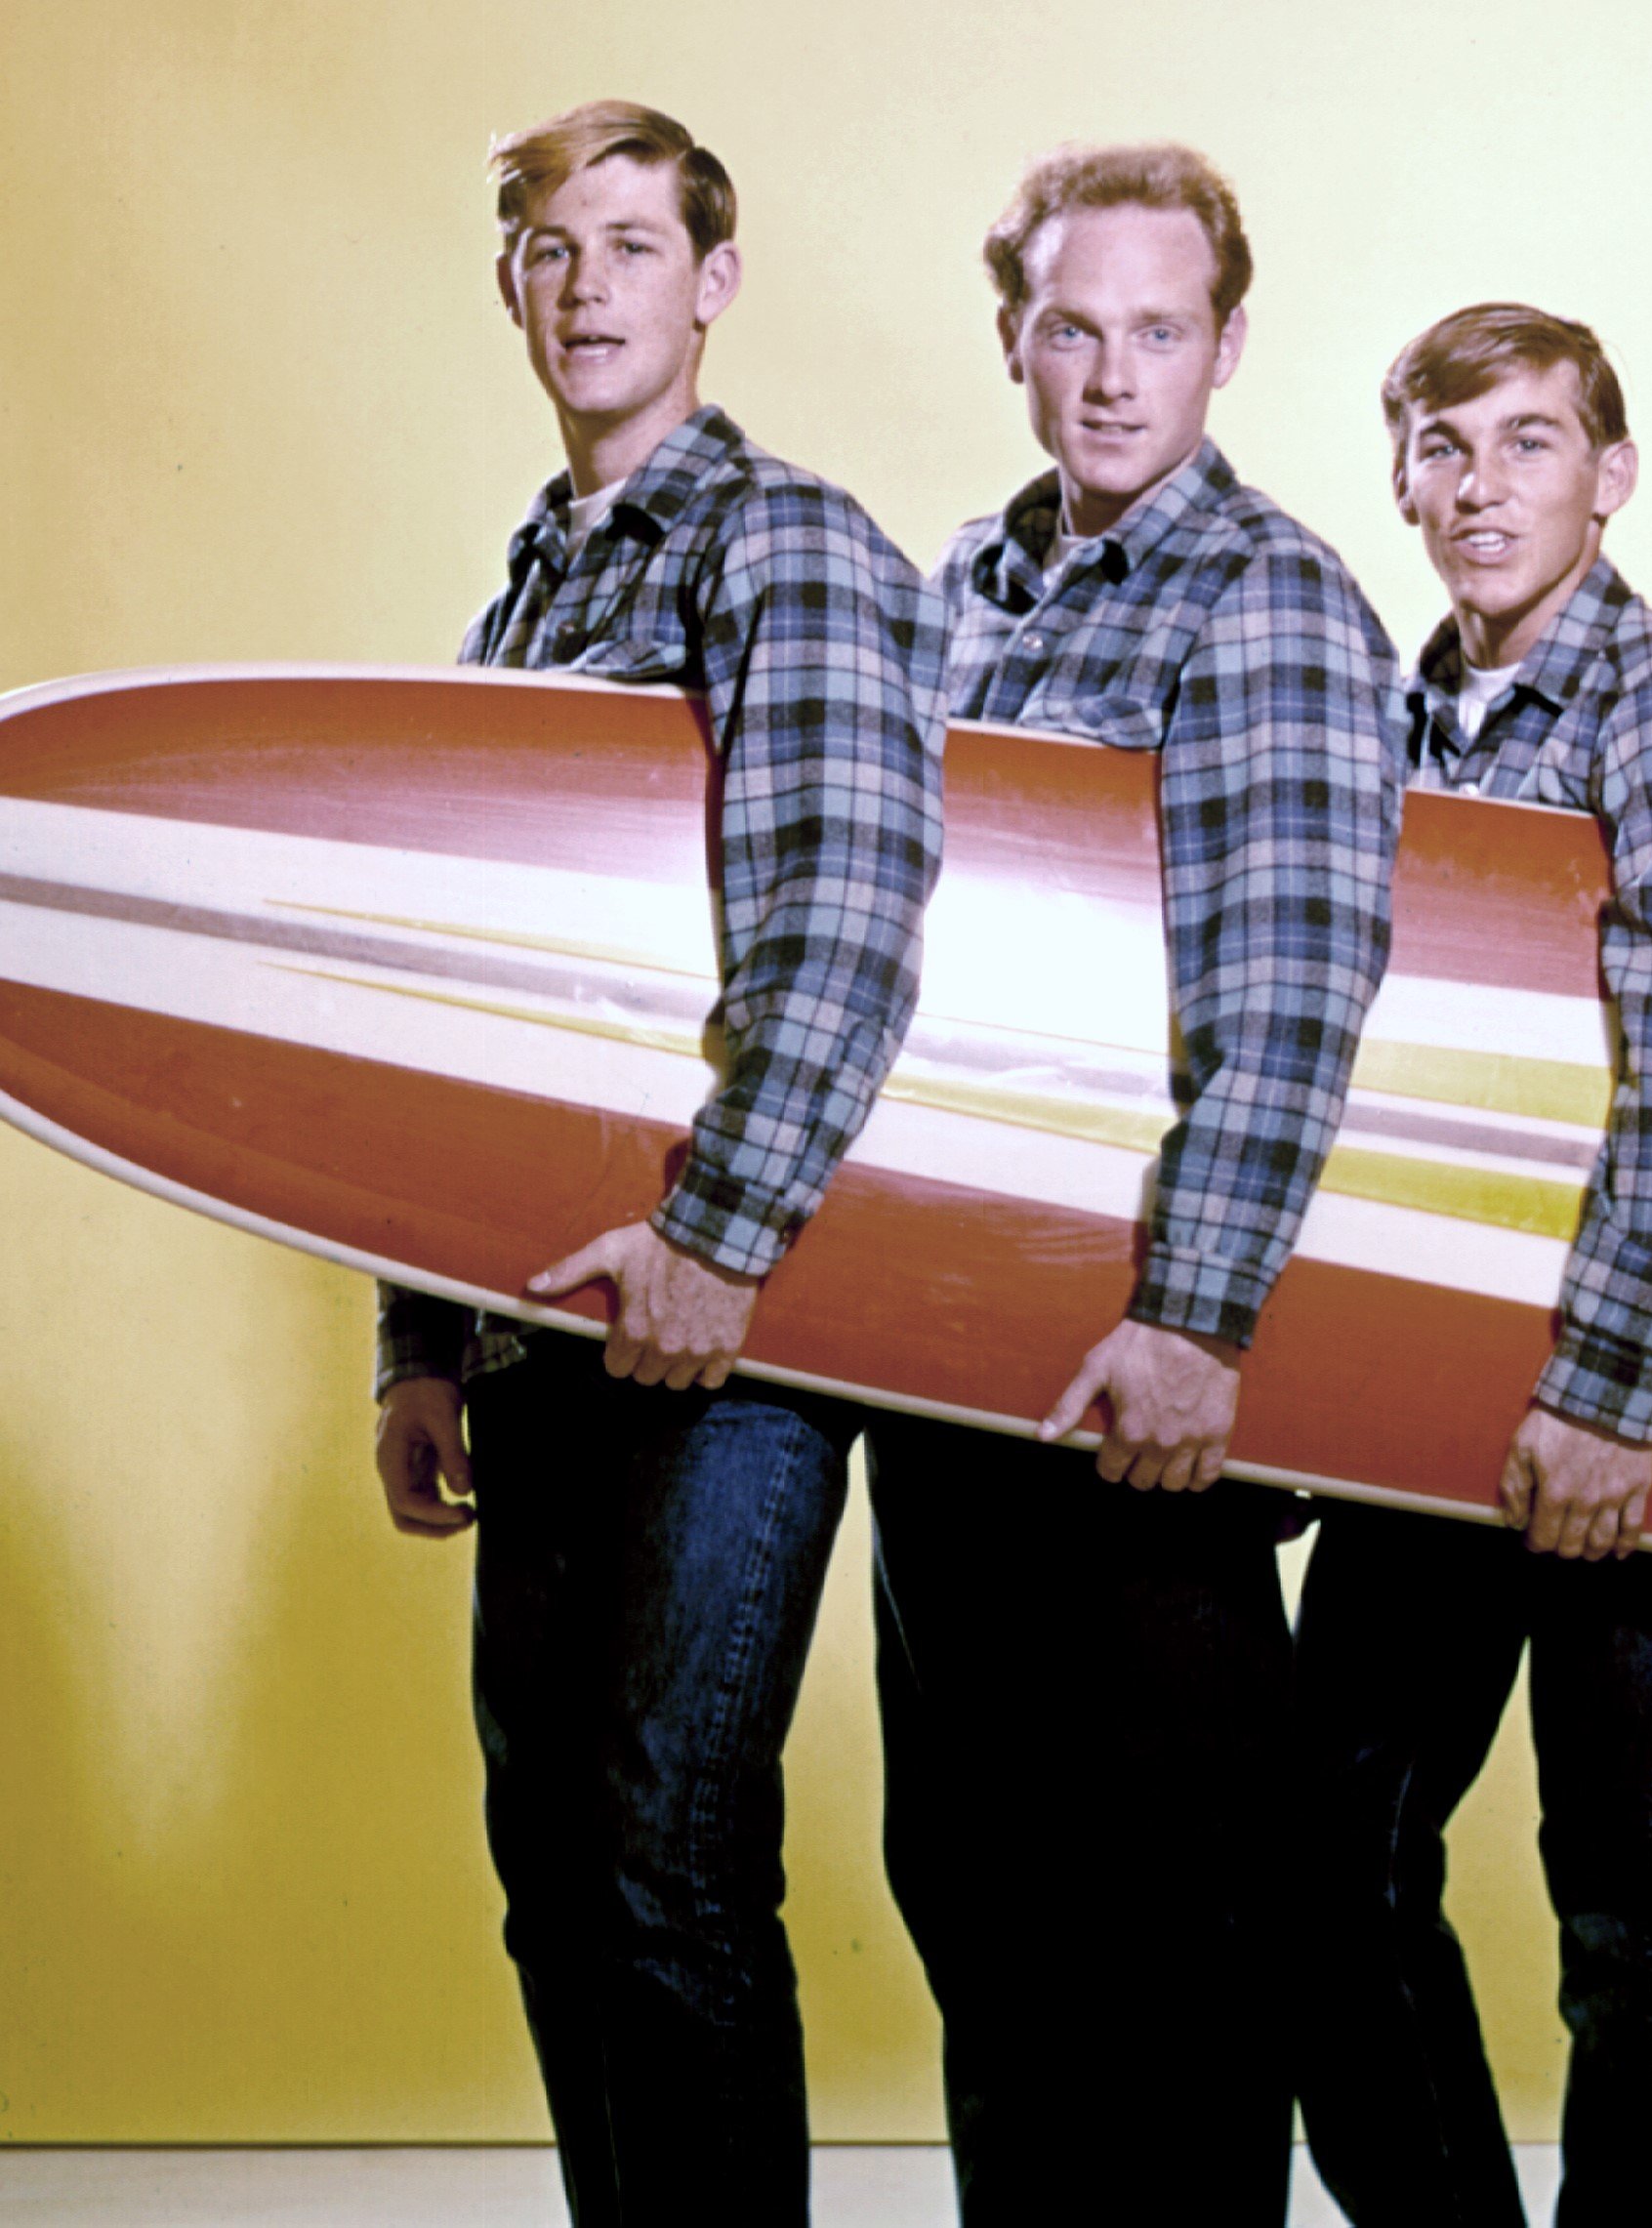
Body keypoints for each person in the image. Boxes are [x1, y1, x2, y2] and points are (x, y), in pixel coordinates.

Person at [368, 101, 945, 2225]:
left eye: (631, 243)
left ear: (709, 285)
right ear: (510, 284)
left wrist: (719, 1241)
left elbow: (850, 913)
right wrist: (416, 1338)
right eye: (548, 243)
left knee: (661, 1852)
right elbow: (457, 1017)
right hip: (533, 1323)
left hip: (729, 1327)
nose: (586, 281)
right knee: (554, 1861)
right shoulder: (519, 601)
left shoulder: (782, 544)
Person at [867, 143, 1401, 2225]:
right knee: (983, 1911)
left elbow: (1292, 984)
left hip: (1139, 1374)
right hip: (945, 1371)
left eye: (1158, 331)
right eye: (1073, 327)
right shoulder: (955, 593)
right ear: (1015, 338)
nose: (1112, 375)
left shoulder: (1263, 593)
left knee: (1177, 1938)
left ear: (1228, 346)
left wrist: (1198, 1316)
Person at [1293, 304, 1652, 2225]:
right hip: (1429, 1418)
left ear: (1607, 474)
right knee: (1317, 1857)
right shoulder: (1386, 715)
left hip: (1635, 1419)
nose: (1477, 487)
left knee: (1640, 1928)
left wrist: (1606, 1395)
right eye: (1443, 449)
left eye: (1526, 444)